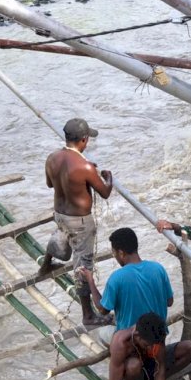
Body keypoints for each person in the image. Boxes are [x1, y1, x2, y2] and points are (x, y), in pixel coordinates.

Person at [40, 118, 113, 327]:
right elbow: (105, 192)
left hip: (60, 214)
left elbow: (49, 183)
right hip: (80, 221)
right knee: (83, 265)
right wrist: (108, 176)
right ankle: (88, 316)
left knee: (63, 235)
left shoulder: (52, 158)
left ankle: (46, 264)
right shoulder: (85, 166)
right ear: (84, 140)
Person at [79, 227, 173, 334]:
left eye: (114, 253)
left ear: (121, 253)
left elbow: (103, 309)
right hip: (158, 337)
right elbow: (169, 302)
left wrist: (90, 281)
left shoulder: (117, 277)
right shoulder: (158, 269)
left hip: (131, 342)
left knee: (103, 334)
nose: (115, 257)